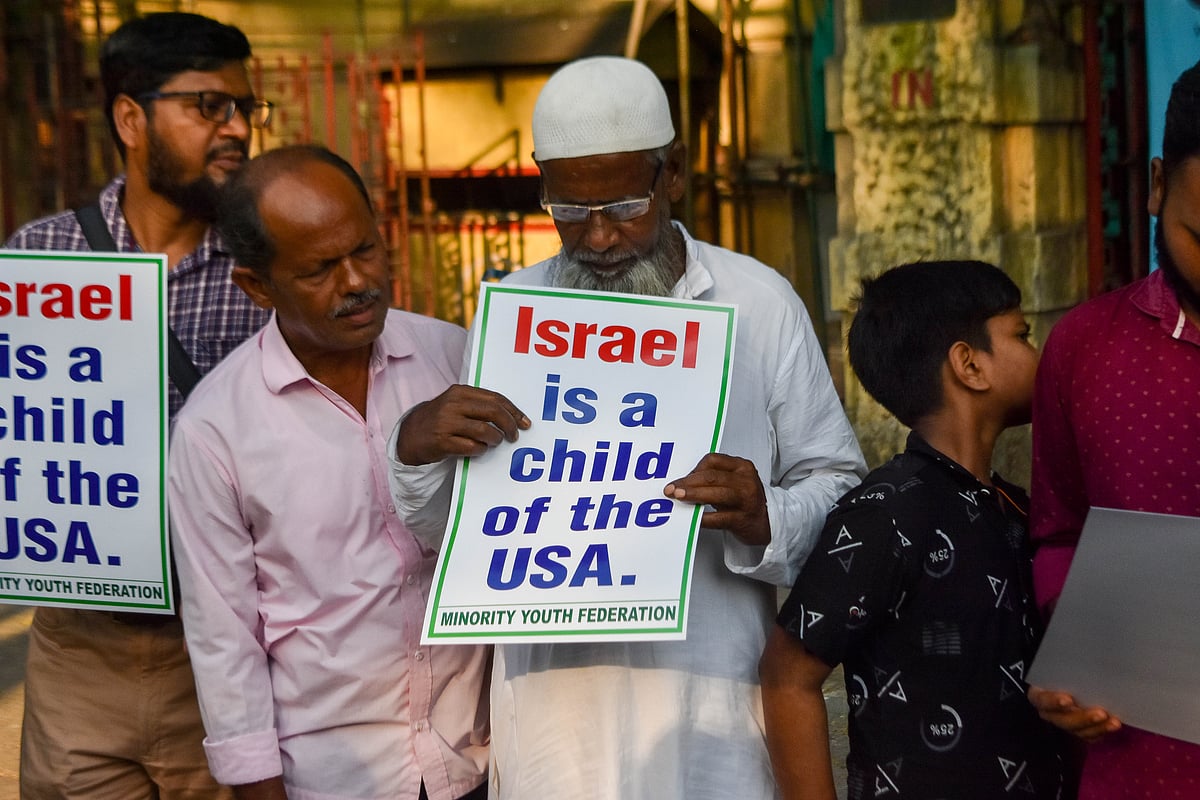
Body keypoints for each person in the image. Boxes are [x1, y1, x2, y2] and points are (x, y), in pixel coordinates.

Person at [388, 56, 866, 800]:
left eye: (622, 206)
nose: (601, 238)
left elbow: (839, 490)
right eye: (571, 212)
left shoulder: (758, 305)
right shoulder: (510, 312)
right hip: (554, 727)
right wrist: (418, 449)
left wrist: (765, 514)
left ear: (673, 173)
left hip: (712, 715)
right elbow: (452, 532)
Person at [168, 144, 490, 800]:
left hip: (482, 760)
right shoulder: (215, 431)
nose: (356, 282)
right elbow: (225, 642)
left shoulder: (456, 358)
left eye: (366, 250)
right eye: (320, 269)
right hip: (337, 778)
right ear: (257, 286)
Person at [3, 13, 271, 799]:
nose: (236, 130)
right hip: (79, 663)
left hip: (225, 659)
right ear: (130, 118)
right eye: (208, 107)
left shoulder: (269, 268)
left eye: (245, 109)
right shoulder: (41, 258)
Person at [759, 260, 1064, 800]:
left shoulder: (1015, 507)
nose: (1040, 354)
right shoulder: (887, 510)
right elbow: (788, 675)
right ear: (969, 365)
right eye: (1023, 335)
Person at [1026, 58, 1200, 798]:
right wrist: (1067, 663)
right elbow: (1057, 533)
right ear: (1156, 184)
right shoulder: (1085, 349)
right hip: (1143, 765)